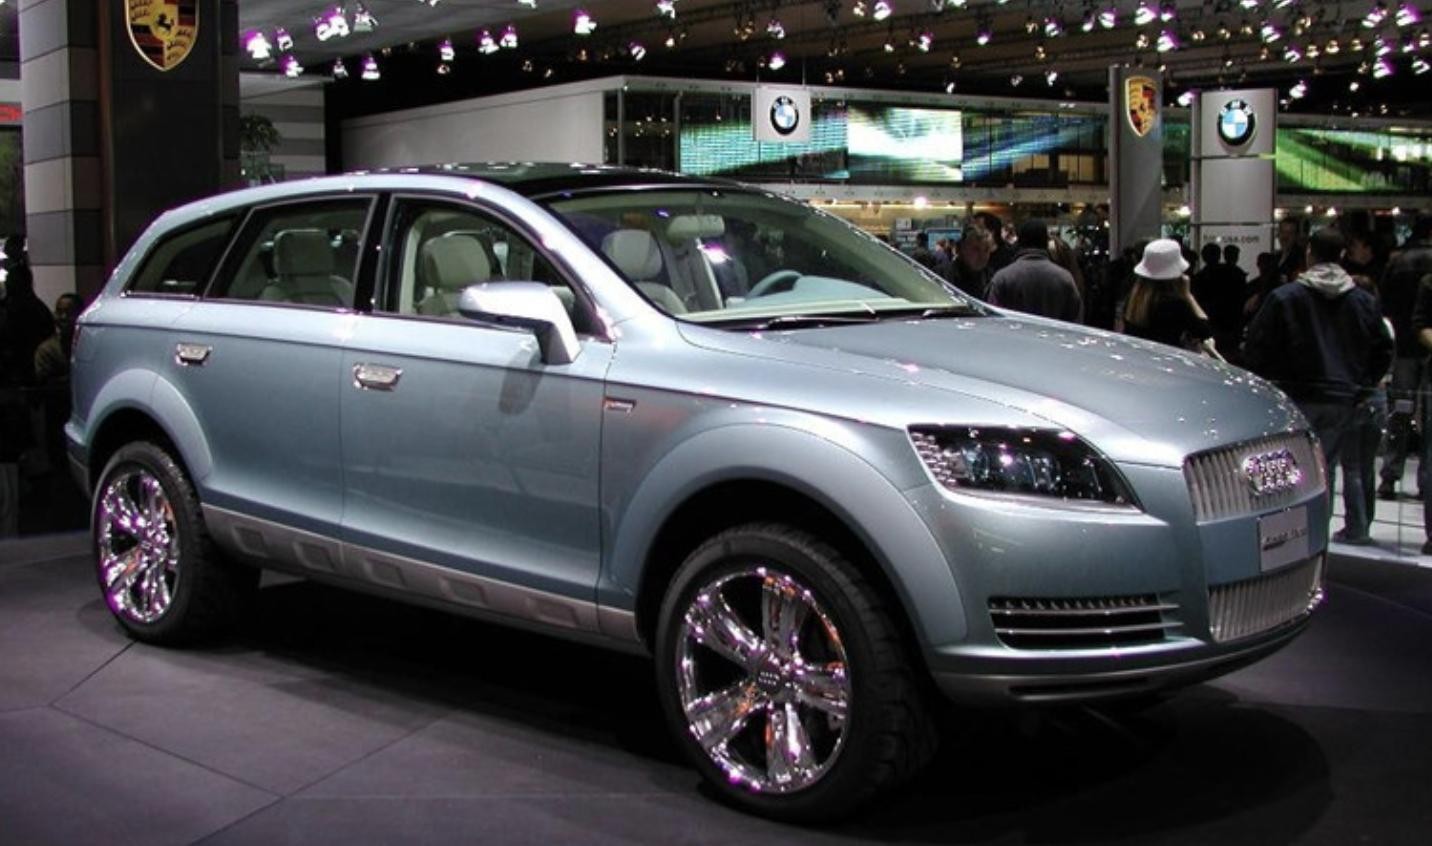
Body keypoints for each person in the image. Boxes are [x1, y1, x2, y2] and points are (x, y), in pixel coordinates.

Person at [1244, 228, 1394, 539]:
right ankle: (1323, 536)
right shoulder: (1363, 301)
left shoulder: (1285, 297)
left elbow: (1257, 347)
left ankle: (1302, 538)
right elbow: (1383, 349)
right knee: (1333, 468)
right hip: (1343, 398)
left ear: (1309, 253)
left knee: (1293, 475)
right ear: (1342, 255)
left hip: (1295, 397)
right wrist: (1362, 384)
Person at [1376, 214, 1432, 500]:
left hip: (1405, 347)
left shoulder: (1397, 261)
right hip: (1428, 347)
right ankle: (1426, 482)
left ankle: (1389, 476)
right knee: (1430, 417)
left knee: (1400, 413)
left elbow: (1384, 303)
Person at [1121, 238, 1214, 351]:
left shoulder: (1134, 300)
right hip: (1166, 358)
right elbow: (1205, 332)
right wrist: (1188, 295)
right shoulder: (1175, 305)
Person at [986, 219, 1082, 323]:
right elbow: (1076, 318)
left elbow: (992, 318)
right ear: (1046, 242)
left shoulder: (1002, 277)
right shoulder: (1064, 278)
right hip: (1053, 333)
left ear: (1019, 242)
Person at [950, 227, 992, 299]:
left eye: (986, 249)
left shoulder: (991, 278)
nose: (982, 256)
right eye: (976, 249)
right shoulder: (941, 277)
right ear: (963, 248)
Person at [1276, 216, 1307, 287]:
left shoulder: (1301, 259)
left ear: (1296, 236)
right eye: (1282, 232)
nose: (1285, 236)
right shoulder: (1276, 257)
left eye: (1290, 233)